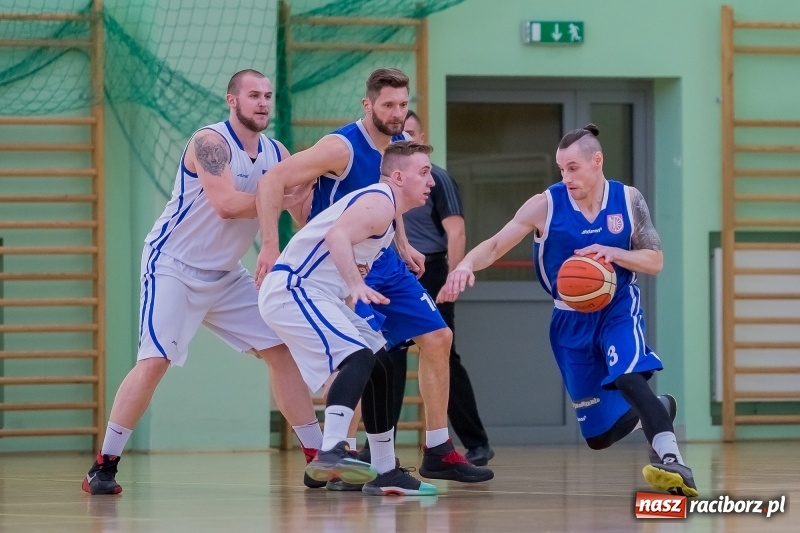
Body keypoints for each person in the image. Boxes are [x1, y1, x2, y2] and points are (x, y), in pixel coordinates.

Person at [81, 69, 322, 495]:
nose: (263, 102)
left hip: (227, 274)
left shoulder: (277, 151)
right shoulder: (210, 142)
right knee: (154, 361)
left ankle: (320, 460)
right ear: (232, 100)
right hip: (173, 265)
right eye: (253, 95)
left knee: (281, 351)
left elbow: (298, 210)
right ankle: (104, 464)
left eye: (267, 95)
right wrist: (279, 200)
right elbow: (228, 205)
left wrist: (333, 230)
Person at [255, 68, 493, 484]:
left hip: (378, 259)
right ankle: (332, 457)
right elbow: (276, 180)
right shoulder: (342, 146)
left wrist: (402, 243)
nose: (398, 113)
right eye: (388, 105)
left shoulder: (400, 150)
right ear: (368, 105)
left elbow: (389, 205)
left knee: (430, 340)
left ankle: (430, 451)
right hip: (331, 267)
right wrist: (271, 246)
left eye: (403, 104)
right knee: (358, 360)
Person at [438, 124, 699, 498]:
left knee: (629, 377)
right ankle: (658, 409)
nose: (566, 177)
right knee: (599, 436)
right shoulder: (545, 205)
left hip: (618, 305)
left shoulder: (627, 200)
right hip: (569, 318)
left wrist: (615, 253)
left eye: (573, 168)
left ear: (597, 161)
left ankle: (671, 458)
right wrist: (464, 265)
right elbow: (495, 244)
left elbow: (654, 261)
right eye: (562, 169)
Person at [258, 140, 439, 496]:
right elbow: (336, 235)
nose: (431, 180)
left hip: (316, 293)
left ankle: (385, 470)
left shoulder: (386, 212)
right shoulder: (379, 202)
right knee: (356, 356)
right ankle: (332, 449)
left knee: (381, 363)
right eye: (424, 172)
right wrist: (356, 286)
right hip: (293, 289)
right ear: (399, 177)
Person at [361, 109, 493, 466]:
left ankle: (471, 441)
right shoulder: (378, 185)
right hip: (386, 268)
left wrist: (453, 274)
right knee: (385, 354)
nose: (405, 138)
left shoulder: (437, 179)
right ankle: (373, 445)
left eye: (412, 133)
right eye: (400, 135)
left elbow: (456, 230)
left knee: (441, 346)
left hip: (432, 270)